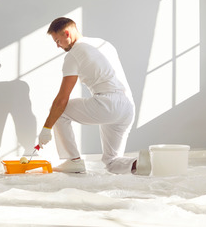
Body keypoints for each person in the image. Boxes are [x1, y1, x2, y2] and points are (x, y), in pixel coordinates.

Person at [37, 17, 148, 174]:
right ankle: (146, 162)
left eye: (58, 41)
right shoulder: (104, 44)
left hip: (108, 104)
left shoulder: (73, 55)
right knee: (112, 162)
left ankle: (74, 161)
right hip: (127, 107)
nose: (57, 46)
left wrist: (46, 128)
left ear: (67, 33)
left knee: (58, 111)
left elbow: (62, 100)